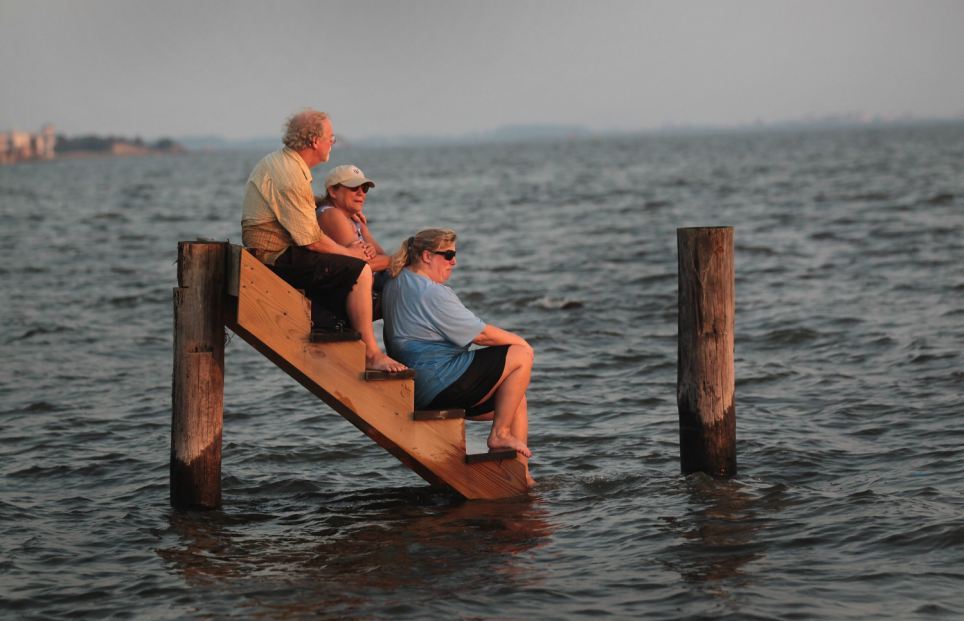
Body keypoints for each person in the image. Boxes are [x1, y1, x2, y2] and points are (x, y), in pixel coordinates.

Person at [241, 108, 405, 373]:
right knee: (360, 271)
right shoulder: (290, 174)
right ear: (315, 141)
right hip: (276, 256)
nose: (333, 142)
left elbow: (304, 226)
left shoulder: (287, 165)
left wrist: (350, 241)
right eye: (331, 137)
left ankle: (357, 334)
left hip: (279, 251)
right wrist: (350, 253)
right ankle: (372, 355)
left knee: (356, 269)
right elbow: (311, 242)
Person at [381, 229, 535, 466]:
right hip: (437, 382)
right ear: (426, 256)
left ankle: (520, 475)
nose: (454, 261)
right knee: (521, 354)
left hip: (417, 386)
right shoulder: (431, 293)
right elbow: (482, 335)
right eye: (448, 255)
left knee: (515, 401)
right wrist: (523, 344)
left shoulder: (396, 279)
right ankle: (499, 435)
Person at [316, 164, 389, 317]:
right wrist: (401, 259)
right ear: (333, 191)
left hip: (366, 283)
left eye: (365, 189)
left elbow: (381, 255)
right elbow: (363, 265)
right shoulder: (332, 215)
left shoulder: (352, 219)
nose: (361, 193)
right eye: (354, 188)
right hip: (344, 292)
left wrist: (364, 229)